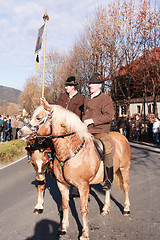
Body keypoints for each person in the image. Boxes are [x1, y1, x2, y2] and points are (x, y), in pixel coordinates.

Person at [41, 76, 84, 198]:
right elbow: (55, 107)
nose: (65, 87)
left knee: (75, 154)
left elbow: (79, 115)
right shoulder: (62, 96)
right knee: (51, 144)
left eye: (68, 86)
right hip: (60, 128)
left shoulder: (80, 99)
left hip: (72, 129)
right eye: (65, 86)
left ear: (73, 86)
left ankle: (76, 184)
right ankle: (53, 168)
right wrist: (46, 103)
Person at [83, 73, 114, 191]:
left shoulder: (105, 98)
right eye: (90, 83)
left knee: (106, 146)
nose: (91, 85)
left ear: (99, 85)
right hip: (86, 131)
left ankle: (109, 179)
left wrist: (92, 120)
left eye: (94, 83)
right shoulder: (87, 99)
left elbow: (108, 116)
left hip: (100, 130)